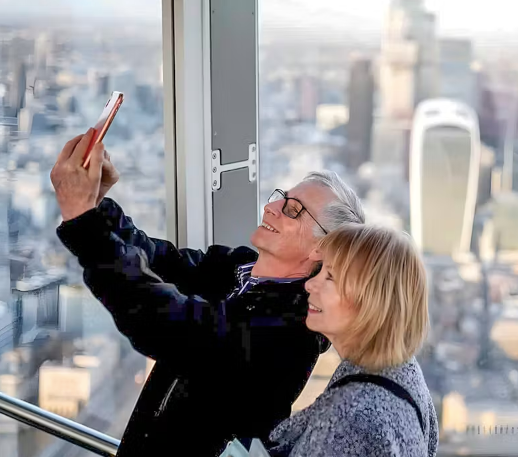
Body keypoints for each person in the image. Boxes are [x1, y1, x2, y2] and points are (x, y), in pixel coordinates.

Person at [49, 130, 365, 457]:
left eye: (293, 210)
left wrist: (84, 222)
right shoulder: (238, 268)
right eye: (281, 197)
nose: (272, 207)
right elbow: (158, 261)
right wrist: (96, 205)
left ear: (322, 248)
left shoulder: (290, 332)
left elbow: (170, 326)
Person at [266, 223, 438, 457]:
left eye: (330, 277)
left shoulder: (348, 413)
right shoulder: (404, 373)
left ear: (370, 301)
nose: (310, 284)